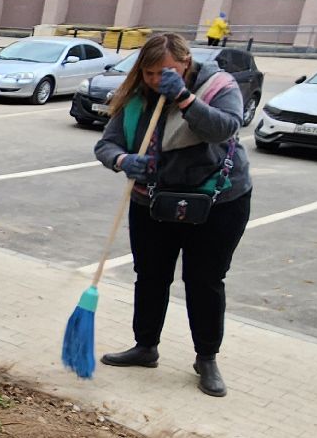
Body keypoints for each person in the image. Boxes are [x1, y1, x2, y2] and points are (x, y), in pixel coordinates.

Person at [92, 32, 251, 397]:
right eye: (148, 73)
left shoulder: (218, 86)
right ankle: (145, 346)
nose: (155, 80)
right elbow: (107, 143)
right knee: (150, 276)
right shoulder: (137, 96)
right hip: (152, 201)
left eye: (164, 72)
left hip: (217, 202)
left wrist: (183, 97)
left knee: (204, 280)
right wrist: (122, 160)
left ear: (186, 62)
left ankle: (206, 357)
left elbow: (225, 127)